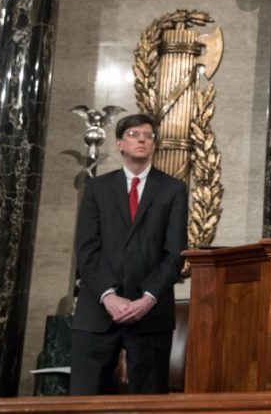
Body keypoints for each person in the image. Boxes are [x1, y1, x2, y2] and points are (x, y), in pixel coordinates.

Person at [70, 113, 188, 395]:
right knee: (85, 400)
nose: (142, 140)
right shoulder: (97, 188)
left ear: (154, 145)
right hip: (97, 311)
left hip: (149, 314)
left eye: (148, 135)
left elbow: (174, 254)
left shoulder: (173, 190)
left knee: (148, 404)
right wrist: (108, 296)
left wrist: (147, 299)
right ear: (120, 143)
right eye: (134, 135)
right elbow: (86, 250)